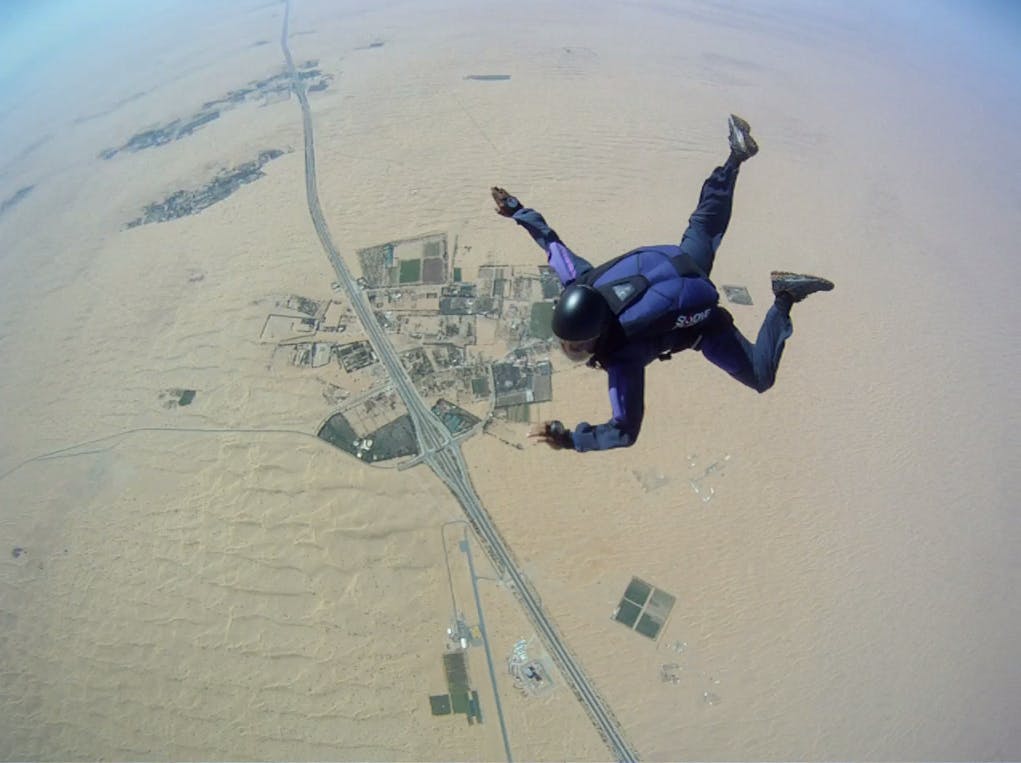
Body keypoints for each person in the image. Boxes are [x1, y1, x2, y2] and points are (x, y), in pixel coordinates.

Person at [490, 114, 833, 452]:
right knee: (704, 223)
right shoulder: (582, 280)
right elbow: (551, 243)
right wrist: (516, 209)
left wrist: (568, 439)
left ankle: (785, 296)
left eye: (576, 346)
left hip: (706, 326)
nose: (571, 350)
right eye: (568, 344)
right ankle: (735, 157)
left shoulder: (622, 356)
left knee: (761, 377)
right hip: (679, 262)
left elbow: (624, 431)